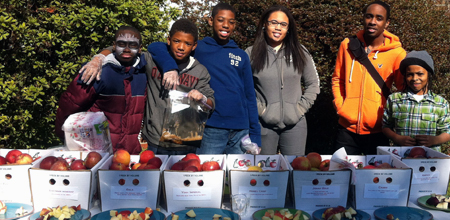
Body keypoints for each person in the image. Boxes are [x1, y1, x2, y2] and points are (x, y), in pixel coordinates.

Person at [79, 19, 215, 155]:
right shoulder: (152, 61)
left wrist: (202, 98)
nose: (181, 47)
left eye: (187, 43)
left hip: (186, 144)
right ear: (168, 40)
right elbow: (125, 50)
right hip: (154, 141)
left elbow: (210, 103)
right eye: (177, 41)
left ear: (194, 46)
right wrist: (99, 59)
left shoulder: (200, 71)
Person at [147, 3, 262, 154]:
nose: (226, 25)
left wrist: (255, 135)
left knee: (237, 176)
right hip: (210, 127)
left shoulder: (241, 55)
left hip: (240, 130)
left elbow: (249, 96)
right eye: (221, 20)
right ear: (210, 21)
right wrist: (170, 66)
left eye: (231, 22)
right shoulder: (197, 47)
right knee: (206, 175)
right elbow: (156, 47)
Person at [55, 26, 147, 154]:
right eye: (122, 44)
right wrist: (62, 134)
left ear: (140, 48)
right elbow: (70, 103)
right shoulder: (96, 71)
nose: (126, 49)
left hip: (130, 154)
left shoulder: (143, 73)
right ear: (114, 46)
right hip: (98, 153)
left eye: (132, 45)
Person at [331, 1, 406, 155]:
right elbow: (337, 79)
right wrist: (341, 107)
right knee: (343, 175)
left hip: (378, 131)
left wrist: (388, 117)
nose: (373, 22)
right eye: (369, 16)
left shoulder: (397, 54)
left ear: (387, 23)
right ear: (363, 18)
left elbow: (402, 90)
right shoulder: (347, 45)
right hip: (347, 129)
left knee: (377, 177)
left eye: (379, 18)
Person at [244, 5, 320, 155]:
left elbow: (313, 84)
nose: (278, 28)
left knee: (294, 172)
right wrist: (262, 110)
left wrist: (299, 109)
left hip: (295, 125)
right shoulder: (250, 53)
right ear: (265, 25)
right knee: (263, 172)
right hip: (263, 124)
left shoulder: (300, 52)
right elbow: (245, 89)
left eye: (283, 24)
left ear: (288, 29)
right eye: (273, 22)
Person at [383, 51, 450, 152]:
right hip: (401, 156)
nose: (415, 78)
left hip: (430, 159)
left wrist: (435, 140)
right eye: (410, 74)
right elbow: (385, 126)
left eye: (420, 74)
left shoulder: (440, 103)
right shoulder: (395, 99)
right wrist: (397, 138)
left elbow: (447, 131)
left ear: (429, 75)